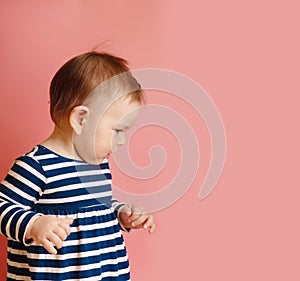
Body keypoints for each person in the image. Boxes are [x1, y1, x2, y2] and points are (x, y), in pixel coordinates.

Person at [0, 51, 156, 281]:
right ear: (81, 119)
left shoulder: (98, 164)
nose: (122, 141)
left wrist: (120, 212)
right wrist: (33, 224)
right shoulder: (36, 166)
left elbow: (94, 207)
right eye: (118, 130)